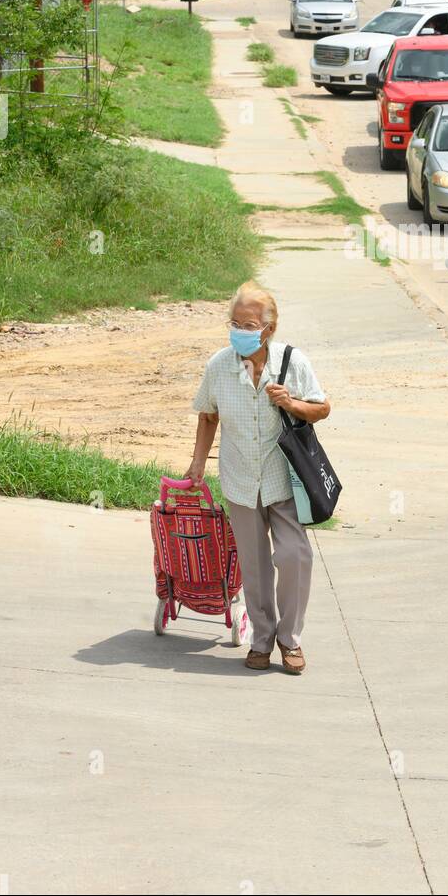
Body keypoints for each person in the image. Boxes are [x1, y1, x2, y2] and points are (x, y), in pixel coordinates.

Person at [186, 282, 330, 675]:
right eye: (234, 323)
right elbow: (208, 415)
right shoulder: (219, 365)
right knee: (255, 566)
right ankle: (262, 641)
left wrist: (291, 402)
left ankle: (290, 638)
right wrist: (198, 464)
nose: (239, 331)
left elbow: (322, 408)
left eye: (248, 324)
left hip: (282, 478)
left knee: (294, 556)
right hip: (240, 478)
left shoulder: (293, 362)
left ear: (268, 329)